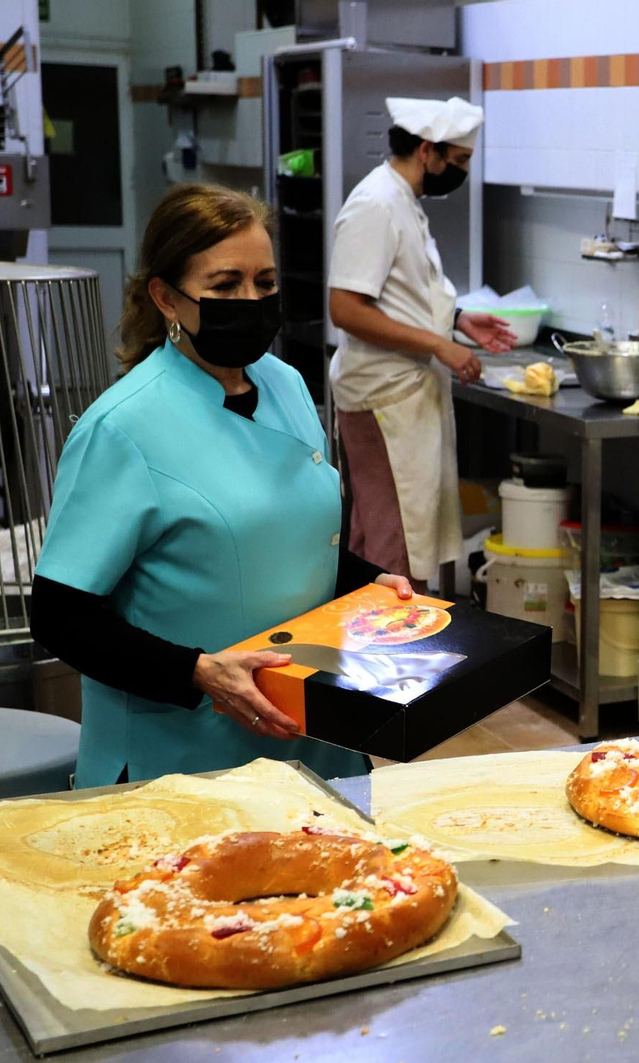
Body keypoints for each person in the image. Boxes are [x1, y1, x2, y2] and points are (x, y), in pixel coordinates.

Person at [31, 183, 414, 788]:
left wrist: (369, 583)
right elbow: (61, 616)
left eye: (265, 283)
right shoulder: (124, 428)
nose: (252, 300)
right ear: (166, 297)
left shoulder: (285, 384)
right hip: (180, 757)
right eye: (226, 284)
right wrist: (198, 671)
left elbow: (288, 538)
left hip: (312, 738)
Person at [328, 96, 516, 593]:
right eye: (459, 162)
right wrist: (439, 344)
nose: (461, 173)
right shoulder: (375, 204)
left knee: (382, 539)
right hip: (382, 399)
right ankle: (388, 661)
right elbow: (346, 308)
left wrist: (457, 321)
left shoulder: (403, 201)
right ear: (428, 150)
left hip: (404, 395)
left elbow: (398, 294)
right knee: (394, 548)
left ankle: (374, 653)